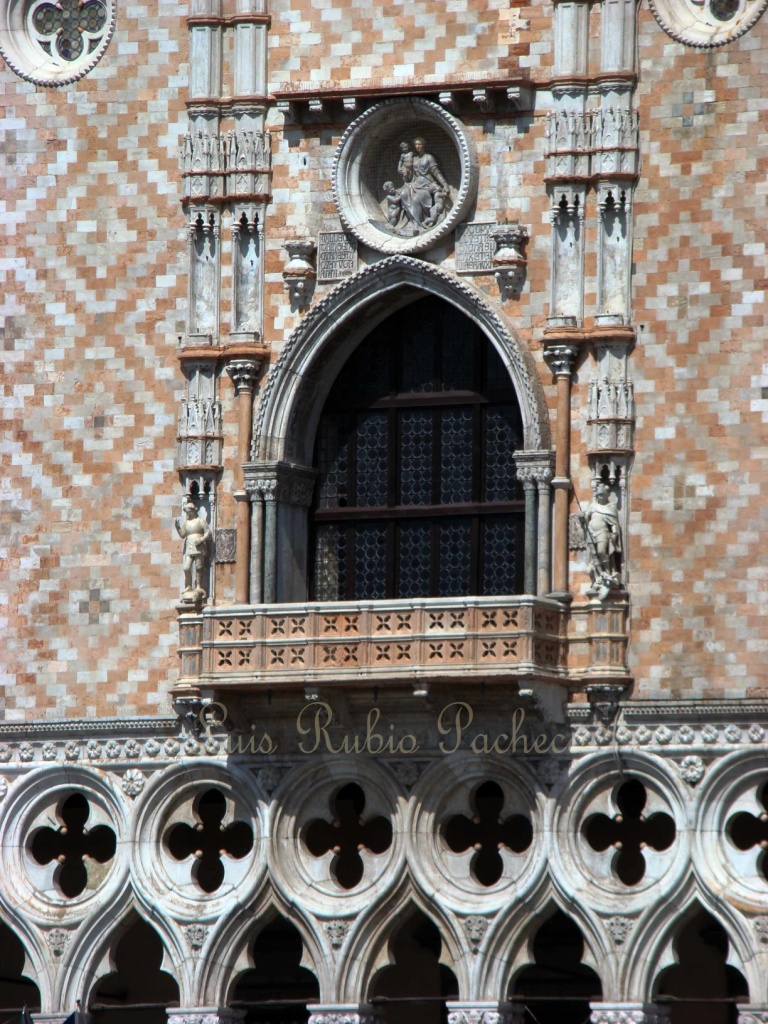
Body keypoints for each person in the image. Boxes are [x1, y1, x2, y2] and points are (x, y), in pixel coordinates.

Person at [397, 137, 450, 231]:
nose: (417, 146)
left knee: (416, 198)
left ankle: (418, 224)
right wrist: (404, 172)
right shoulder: (415, 158)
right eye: (416, 144)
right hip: (415, 183)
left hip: (427, 184)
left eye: (419, 144)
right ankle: (413, 222)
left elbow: (436, 172)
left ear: (424, 145)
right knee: (404, 194)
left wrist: (444, 184)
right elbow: (410, 174)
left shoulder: (428, 157)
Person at [584, 481, 622, 592]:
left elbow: (614, 523)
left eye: (601, 495)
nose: (599, 497)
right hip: (591, 533)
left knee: (601, 552)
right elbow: (586, 519)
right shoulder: (592, 506)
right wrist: (583, 517)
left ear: (606, 495)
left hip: (603, 532)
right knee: (594, 555)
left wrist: (615, 533)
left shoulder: (611, 507)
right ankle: (600, 576)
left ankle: (608, 572)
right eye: (598, 495)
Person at [175, 497, 212, 601]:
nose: (188, 513)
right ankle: (188, 586)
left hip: (199, 546)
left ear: (193, 510)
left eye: (189, 511)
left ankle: (199, 586)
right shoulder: (186, 523)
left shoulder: (200, 521)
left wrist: (201, 539)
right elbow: (183, 535)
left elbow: (208, 533)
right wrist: (177, 527)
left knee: (198, 567)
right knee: (186, 567)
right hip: (189, 546)